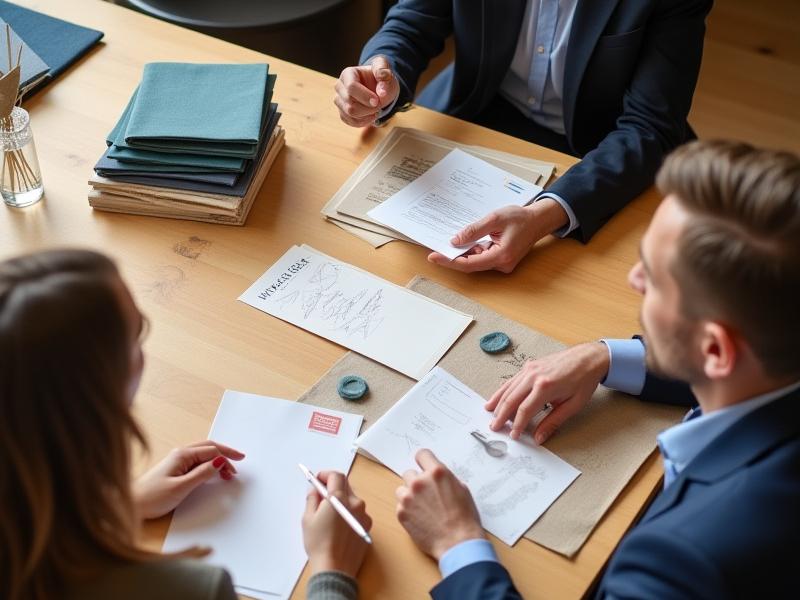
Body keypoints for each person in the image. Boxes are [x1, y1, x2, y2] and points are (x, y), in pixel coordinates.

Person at [393, 140, 800, 598]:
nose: (633, 279)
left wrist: (458, 544)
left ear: (715, 351)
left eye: (655, 277)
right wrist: (607, 356)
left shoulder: (678, 563)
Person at [0, 249, 371, 600]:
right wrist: (331, 567)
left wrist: (120, 505)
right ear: (98, 394)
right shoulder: (187, 590)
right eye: (138, 333)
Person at [334, 0, 712, 274]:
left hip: (605, 153)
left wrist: (546, 215)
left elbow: (649, 126)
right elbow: (412, 22)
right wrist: (379, 72)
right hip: (480, 107)